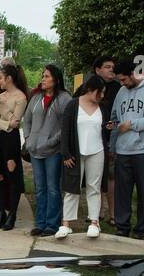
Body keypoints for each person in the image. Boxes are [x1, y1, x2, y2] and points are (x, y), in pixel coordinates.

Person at [108, 57, 144, 238]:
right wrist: (113, 139)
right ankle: (122, 226)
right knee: (122, 191)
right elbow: (116, 117)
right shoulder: (122, 92)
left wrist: (131, 124)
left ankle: (141, 229)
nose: (122, 83)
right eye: (119, 81)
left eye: (124, 79)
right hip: (123, 149)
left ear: (133, 74)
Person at [22, 63, 70, 236]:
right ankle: (40, 223)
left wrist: (51, 141)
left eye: (47, 76)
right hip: (34, 150)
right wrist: (28, 139)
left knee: (53, 188)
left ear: (56, 80)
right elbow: (26, 120)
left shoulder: (64, 98)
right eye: (42, 76)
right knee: (39, 188)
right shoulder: (36, 98)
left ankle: (52, 224)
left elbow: (66, 126)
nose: (43, 79)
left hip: (53, 151)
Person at [57, 75, 108, 238]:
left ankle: (94, 222)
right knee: (72, 187)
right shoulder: (73, 105)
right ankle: (66, 223)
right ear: (91, 90)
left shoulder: (103, 107)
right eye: (100, 92)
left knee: (94, 186)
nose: (101, 96)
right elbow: (65, 131)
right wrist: (66, 153)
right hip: (76, 152)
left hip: (97, 150)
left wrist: (109, 127)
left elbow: (104, 129)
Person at [0, 63, 28, 231]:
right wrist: (6, 122)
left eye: (1, 78)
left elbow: (15, 122)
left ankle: (12, 214)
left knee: (12, 174)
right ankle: (0, 213)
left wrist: (3, 111)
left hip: (10, 140)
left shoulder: (21, 97)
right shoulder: (0, 96)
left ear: (9, 78)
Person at [94, 56, 120, 225]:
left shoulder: (119, 88)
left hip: (113, 139)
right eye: (107, 66)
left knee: (112, 177)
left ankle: (113, 214)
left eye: (113, 67)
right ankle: (98, 211)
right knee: (96, 178)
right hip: (95, 139)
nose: (111, 69)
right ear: (98, 70)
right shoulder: (89, 87)